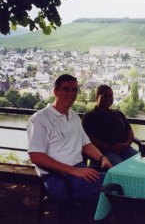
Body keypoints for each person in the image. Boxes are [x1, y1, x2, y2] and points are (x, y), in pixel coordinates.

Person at [27, 74, 112, 202]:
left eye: (74, 90)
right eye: (66, 89)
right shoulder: (39, 119)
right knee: (111, 186)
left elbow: (86, 144)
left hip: (79, 170)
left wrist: (102, 158)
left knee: (113, 179)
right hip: (56, 178)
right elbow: (36, 156)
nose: (71, 93)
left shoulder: (74, 117)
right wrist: (75, 171)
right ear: (55, 91)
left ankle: (98, 215)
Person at [82, 84, 138, 166]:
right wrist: (111, 147)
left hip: (126, 149)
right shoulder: (89, 117)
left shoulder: (118, 113)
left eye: (110, 96)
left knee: (142, 162)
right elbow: (89, 139)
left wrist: (126, 144)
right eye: (104, 96)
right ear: (97, 97)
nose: (108, 98)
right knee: (120, 168)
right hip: (104, 153)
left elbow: (130, 131)